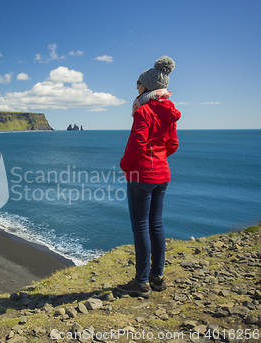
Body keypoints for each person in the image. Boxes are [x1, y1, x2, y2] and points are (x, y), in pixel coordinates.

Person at [117, 56, 181, 298]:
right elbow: (173, 145)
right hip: (162, 174)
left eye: (138, 83)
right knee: (156, 224)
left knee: (141, 226)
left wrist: (125, 165)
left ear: (148, 86)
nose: (136, 87)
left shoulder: (143, 111)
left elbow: (137, 145)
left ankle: (141, 282)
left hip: (141, 174)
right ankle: (157, 277)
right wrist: (160, 156)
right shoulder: (169, 111)